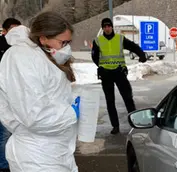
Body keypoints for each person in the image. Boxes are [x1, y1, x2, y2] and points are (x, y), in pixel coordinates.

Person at [0, 12, 80, 172]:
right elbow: (34, 116)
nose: (67, 47)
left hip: (54, 151)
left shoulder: (42, 56)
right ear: (43, 38)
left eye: (68, 42)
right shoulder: (23, 58)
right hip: (36, 156)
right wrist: (71, 113)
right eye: (62, 42)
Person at [91, 18, 147, 134]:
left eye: (109, 26)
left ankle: (134, 121)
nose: (107, 28)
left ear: (112, 27)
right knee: (110, 101)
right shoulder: (98, 41)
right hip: (106, 74)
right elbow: (94, 56)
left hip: (119, 72)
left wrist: (141, 54)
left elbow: (133, 46)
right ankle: (115, 126)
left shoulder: (119, 39)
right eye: (105, 26)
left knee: (128, 98)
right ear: (103, 28)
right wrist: (101, 66)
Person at [0, 18, 21, 172]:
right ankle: (4, 165)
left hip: (18, 96)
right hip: (3, 97)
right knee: (4, 132)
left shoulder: (23, 48)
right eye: (13, 30)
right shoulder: (2, 45)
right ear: (5, 31)